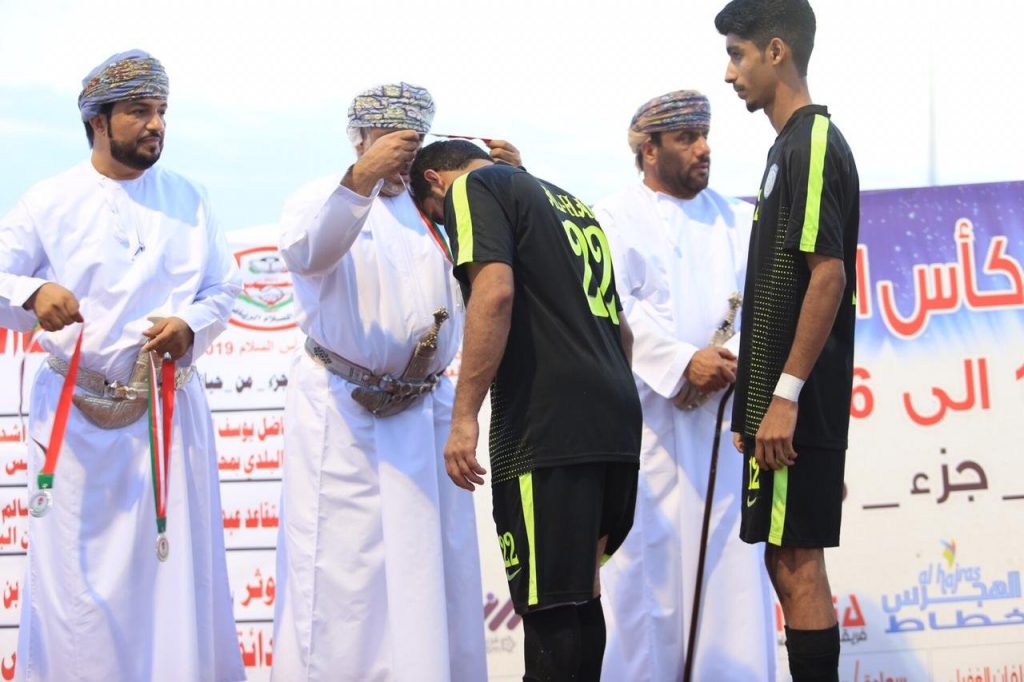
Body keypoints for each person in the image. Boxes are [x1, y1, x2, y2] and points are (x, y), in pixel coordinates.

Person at [0, 50, 244, 682]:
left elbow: (223, 288)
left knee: (175, 570)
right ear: (98, 122)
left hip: (168, 413)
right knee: (76, 582)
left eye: (161, 110)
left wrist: (189, 325)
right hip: (75, 423)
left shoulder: (190, 199)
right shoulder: (48, 201)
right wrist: (31, 293)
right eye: (139, 111)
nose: (155, 123)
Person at [272, 82, 520, 682]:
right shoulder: (322, 196)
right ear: (359, 138)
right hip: (345, 419)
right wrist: (360, 179)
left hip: (427, 415)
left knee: (434, 571)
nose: (404, 153)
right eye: (391, 138)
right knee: (343, 579)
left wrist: (510, 185)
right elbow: (308, 254)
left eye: (414, 141)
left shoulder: (433, 211)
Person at [410, 139, 643, 682]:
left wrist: (463, 417)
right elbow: (623, 332)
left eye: (439, 220)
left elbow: (494, 294)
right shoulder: (567, 201)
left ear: (435, 181)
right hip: (614, 414)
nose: (451, 229)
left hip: (548, 424)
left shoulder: (472, 187)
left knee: (548, 602)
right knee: (581, 591)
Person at [593, 89, 776, 681]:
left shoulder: (738, 218)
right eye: (687, 139)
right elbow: (613, 309)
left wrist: (723, 362)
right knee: (646, 588)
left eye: (705, 136)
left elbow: (768, 304)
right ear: (649, 150)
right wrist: (677, 366)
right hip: (649, 431)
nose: (704, 149)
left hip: (726, 428)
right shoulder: (611, 218)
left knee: (730, 579)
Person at [715, 2, 861, 680]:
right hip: (777, 404)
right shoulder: (784, 150)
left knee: (798, 561)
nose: (729, 73)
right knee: (786, 558)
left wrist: (784, 397)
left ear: (777, 51)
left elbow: (828, 275)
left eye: (737, 55)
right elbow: (779, 290)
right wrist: (754, 402)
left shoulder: (813, 141)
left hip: (796, 406)